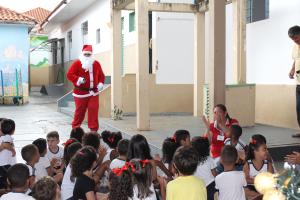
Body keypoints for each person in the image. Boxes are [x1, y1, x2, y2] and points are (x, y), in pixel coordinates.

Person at [66, 44, 105, 132]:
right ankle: (75, 130)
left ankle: (93, 131)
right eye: (85, 54)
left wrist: (100, 83)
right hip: (81, 93)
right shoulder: (77, 63)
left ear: (91, 55)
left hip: (93, 93)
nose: (87, 56)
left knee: (93, 110)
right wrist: (78, 79)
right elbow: (69, 74)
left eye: (89, 54)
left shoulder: (96, 64)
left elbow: (102, 75)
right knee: (80, 112)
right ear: (82, 54)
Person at [288, 26, 300, 137]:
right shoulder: (295, 47)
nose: (295, 41)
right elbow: (295, 60)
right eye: (293, 39)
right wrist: (292, 70)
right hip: (298, 83)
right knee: (298, 107)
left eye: (296, 38)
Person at [0, 119, 16, 189]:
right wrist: (13, 151)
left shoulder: (4, 137)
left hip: (5, 164)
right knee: (6, 180)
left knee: (6, 179)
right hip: (5, 164)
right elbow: (5, 145)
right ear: (13, 131)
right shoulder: (7, 137)